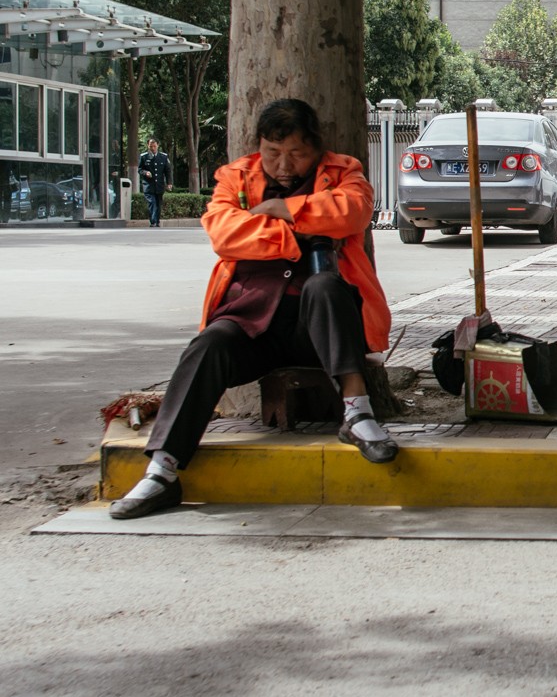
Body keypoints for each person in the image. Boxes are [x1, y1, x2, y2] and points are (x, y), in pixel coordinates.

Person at [110, 99, 398, 520]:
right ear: (259, 147)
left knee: (325, 285)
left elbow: (352, 213)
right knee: (208, 344)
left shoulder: (344, 171)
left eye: (296, 154)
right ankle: (162, 470)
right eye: (272, 153)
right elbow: (224, 233)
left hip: (318, 328)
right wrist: (302, 234)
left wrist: (284, 210)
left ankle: (357, 415)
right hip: (251, 320)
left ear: (316, 148)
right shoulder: (235, 177)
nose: (283, 165)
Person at [138, 138, 172, 226]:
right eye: (151, 146)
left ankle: (157, 221)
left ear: (157, 145)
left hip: (159, 185)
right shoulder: (144, 156)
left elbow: (167, 171)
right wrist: (146, 172)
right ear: (148, 146)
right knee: (152, 203)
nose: (153, 148)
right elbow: (140, 169)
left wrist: (169, 183)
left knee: (158, 203)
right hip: (148, 185)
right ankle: (153, 221)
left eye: (154, 146)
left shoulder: (163, 157)